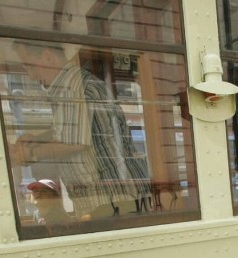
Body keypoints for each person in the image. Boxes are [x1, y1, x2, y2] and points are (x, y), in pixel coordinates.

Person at [12, 41, 151, 219]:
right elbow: (72, 131)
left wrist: (28, 154)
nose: (30, 76)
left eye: (29, 67)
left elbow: (72, 143)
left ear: (47, 57)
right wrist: (37, 140)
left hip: (113, 201)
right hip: (113, 201)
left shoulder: (72, 87)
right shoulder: (71, 86)